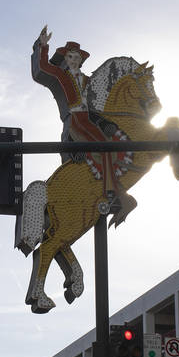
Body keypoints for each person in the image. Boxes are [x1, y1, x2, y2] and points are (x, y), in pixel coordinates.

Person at [32, 25, 137, 223]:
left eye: (77, 57)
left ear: (81, 60)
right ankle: (113, 192)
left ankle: (112, 192)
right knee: (98, 146)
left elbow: (97, 105)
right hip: (75, 120)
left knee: (108, 147)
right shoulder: (62, 76)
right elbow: (44, 68)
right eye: (70, 56)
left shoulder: (88, 81)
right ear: (66, 59)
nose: (74, 60)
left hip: (89, 120)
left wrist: (104, 122)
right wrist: (42, 46)